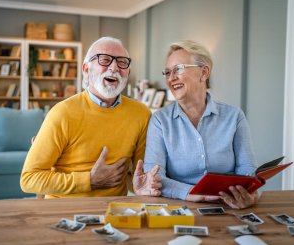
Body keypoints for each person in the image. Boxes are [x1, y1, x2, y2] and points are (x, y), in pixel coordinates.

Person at [21, 37, 161, 198]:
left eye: (122, 62)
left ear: (128, 72)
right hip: (64, 214)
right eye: (105, 60)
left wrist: (140, 186)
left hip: (113, 212)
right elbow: (28, 179)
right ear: (86, 69)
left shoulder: (141, 114)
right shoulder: (62, 113)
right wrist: (90, 180)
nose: (114, 67)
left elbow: (137, 176)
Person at [143, 40, 258, 209]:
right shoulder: (160, 121)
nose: (171, 77)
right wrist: (193, 193)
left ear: (204, 73)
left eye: (179, 69)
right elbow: (154, 177)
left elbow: (247, 168)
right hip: (178, 208)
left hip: (229, 207)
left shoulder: (234, 116)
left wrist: (249, 193)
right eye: (167, 72)